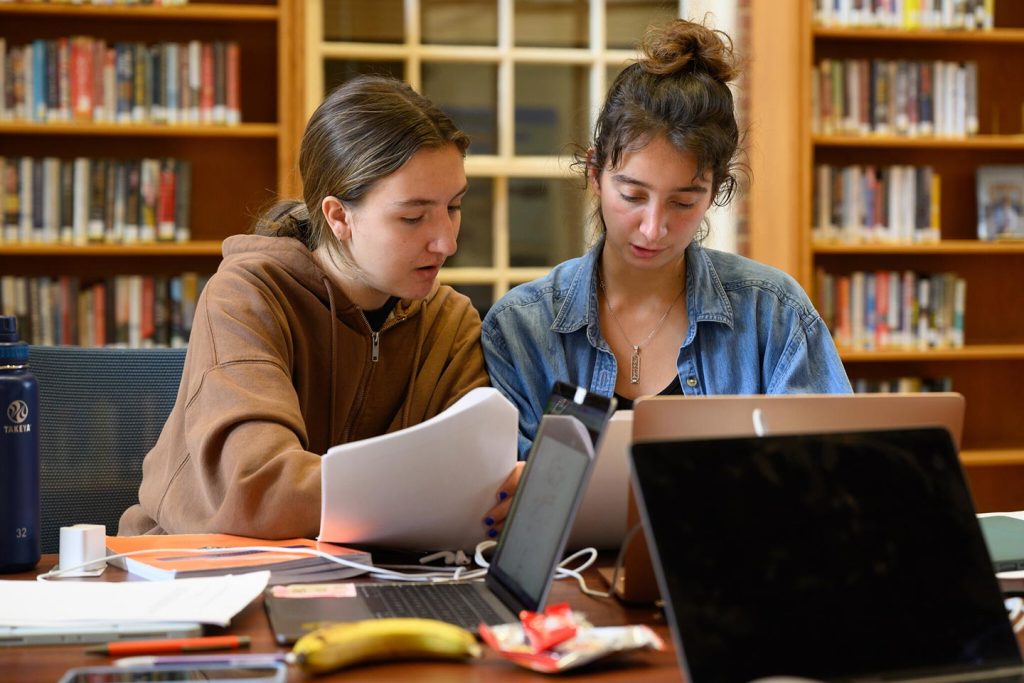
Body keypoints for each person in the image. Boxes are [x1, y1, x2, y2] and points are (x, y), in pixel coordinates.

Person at [119, 75, 489, 539]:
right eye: (412, 217)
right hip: (203, 573)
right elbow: (261, 492)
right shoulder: (246, 296)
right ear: (338, 217)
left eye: (453, 207)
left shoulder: (450, 324)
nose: (447, 242)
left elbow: (481, 480)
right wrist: (440, 492)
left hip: (372, 574)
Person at [481, 18, 852, 473]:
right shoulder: (521, 328)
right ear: (595, 175)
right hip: (578, 550)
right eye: (633, 196)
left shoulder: (773, 314)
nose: (654, 228)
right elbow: (506, 505)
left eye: (683, 201)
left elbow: (831, 473)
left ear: (715, 193)